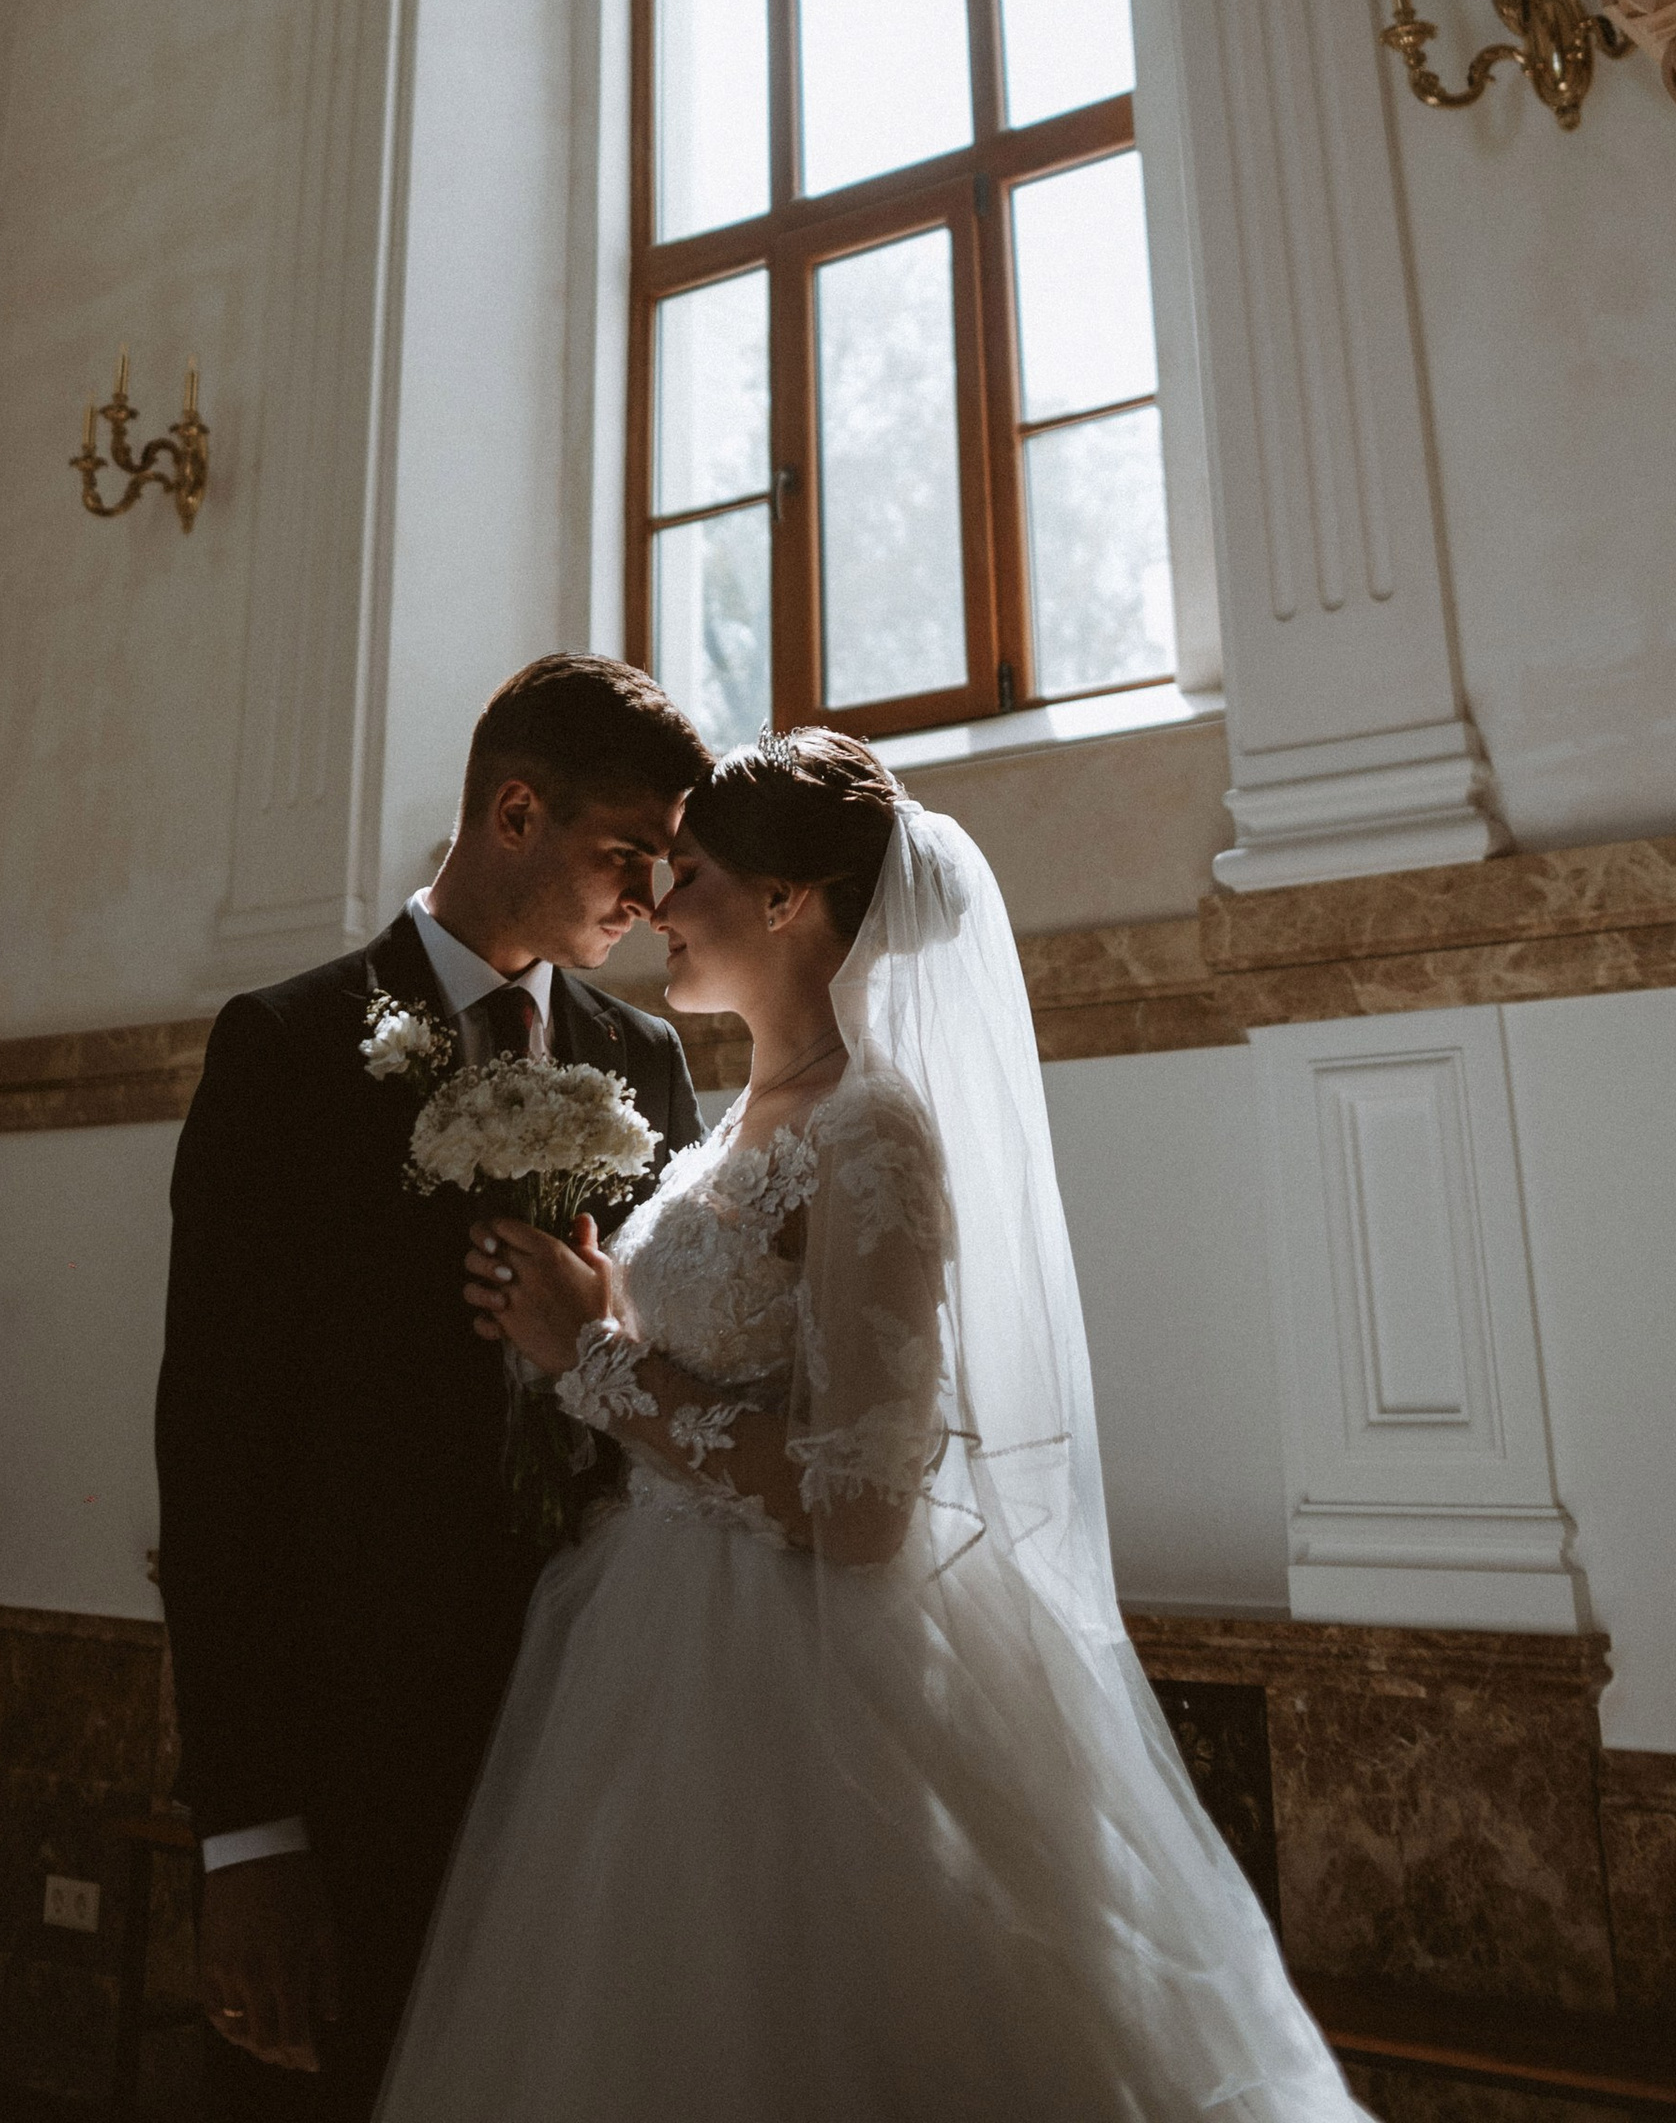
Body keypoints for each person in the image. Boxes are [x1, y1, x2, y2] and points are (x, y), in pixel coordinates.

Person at [379, 729, 1366, 2121]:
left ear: (788, 900)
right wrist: (603, 1318)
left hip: (803, 1677)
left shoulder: (870, 1133)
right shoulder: (740, 1117)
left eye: (692, 872)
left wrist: (593, 1361)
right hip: (651, 1634)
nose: (657, 904)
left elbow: (860, 1503)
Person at [154, 651, 708, 2114]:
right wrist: (248, 1830)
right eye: (626, 853)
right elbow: (216, 1451)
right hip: (358, 1752)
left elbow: (688, 1363)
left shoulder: (648, 1062)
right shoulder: (288, 1048)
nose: (649, 896)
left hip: (594, 1729)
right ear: (515, 812)